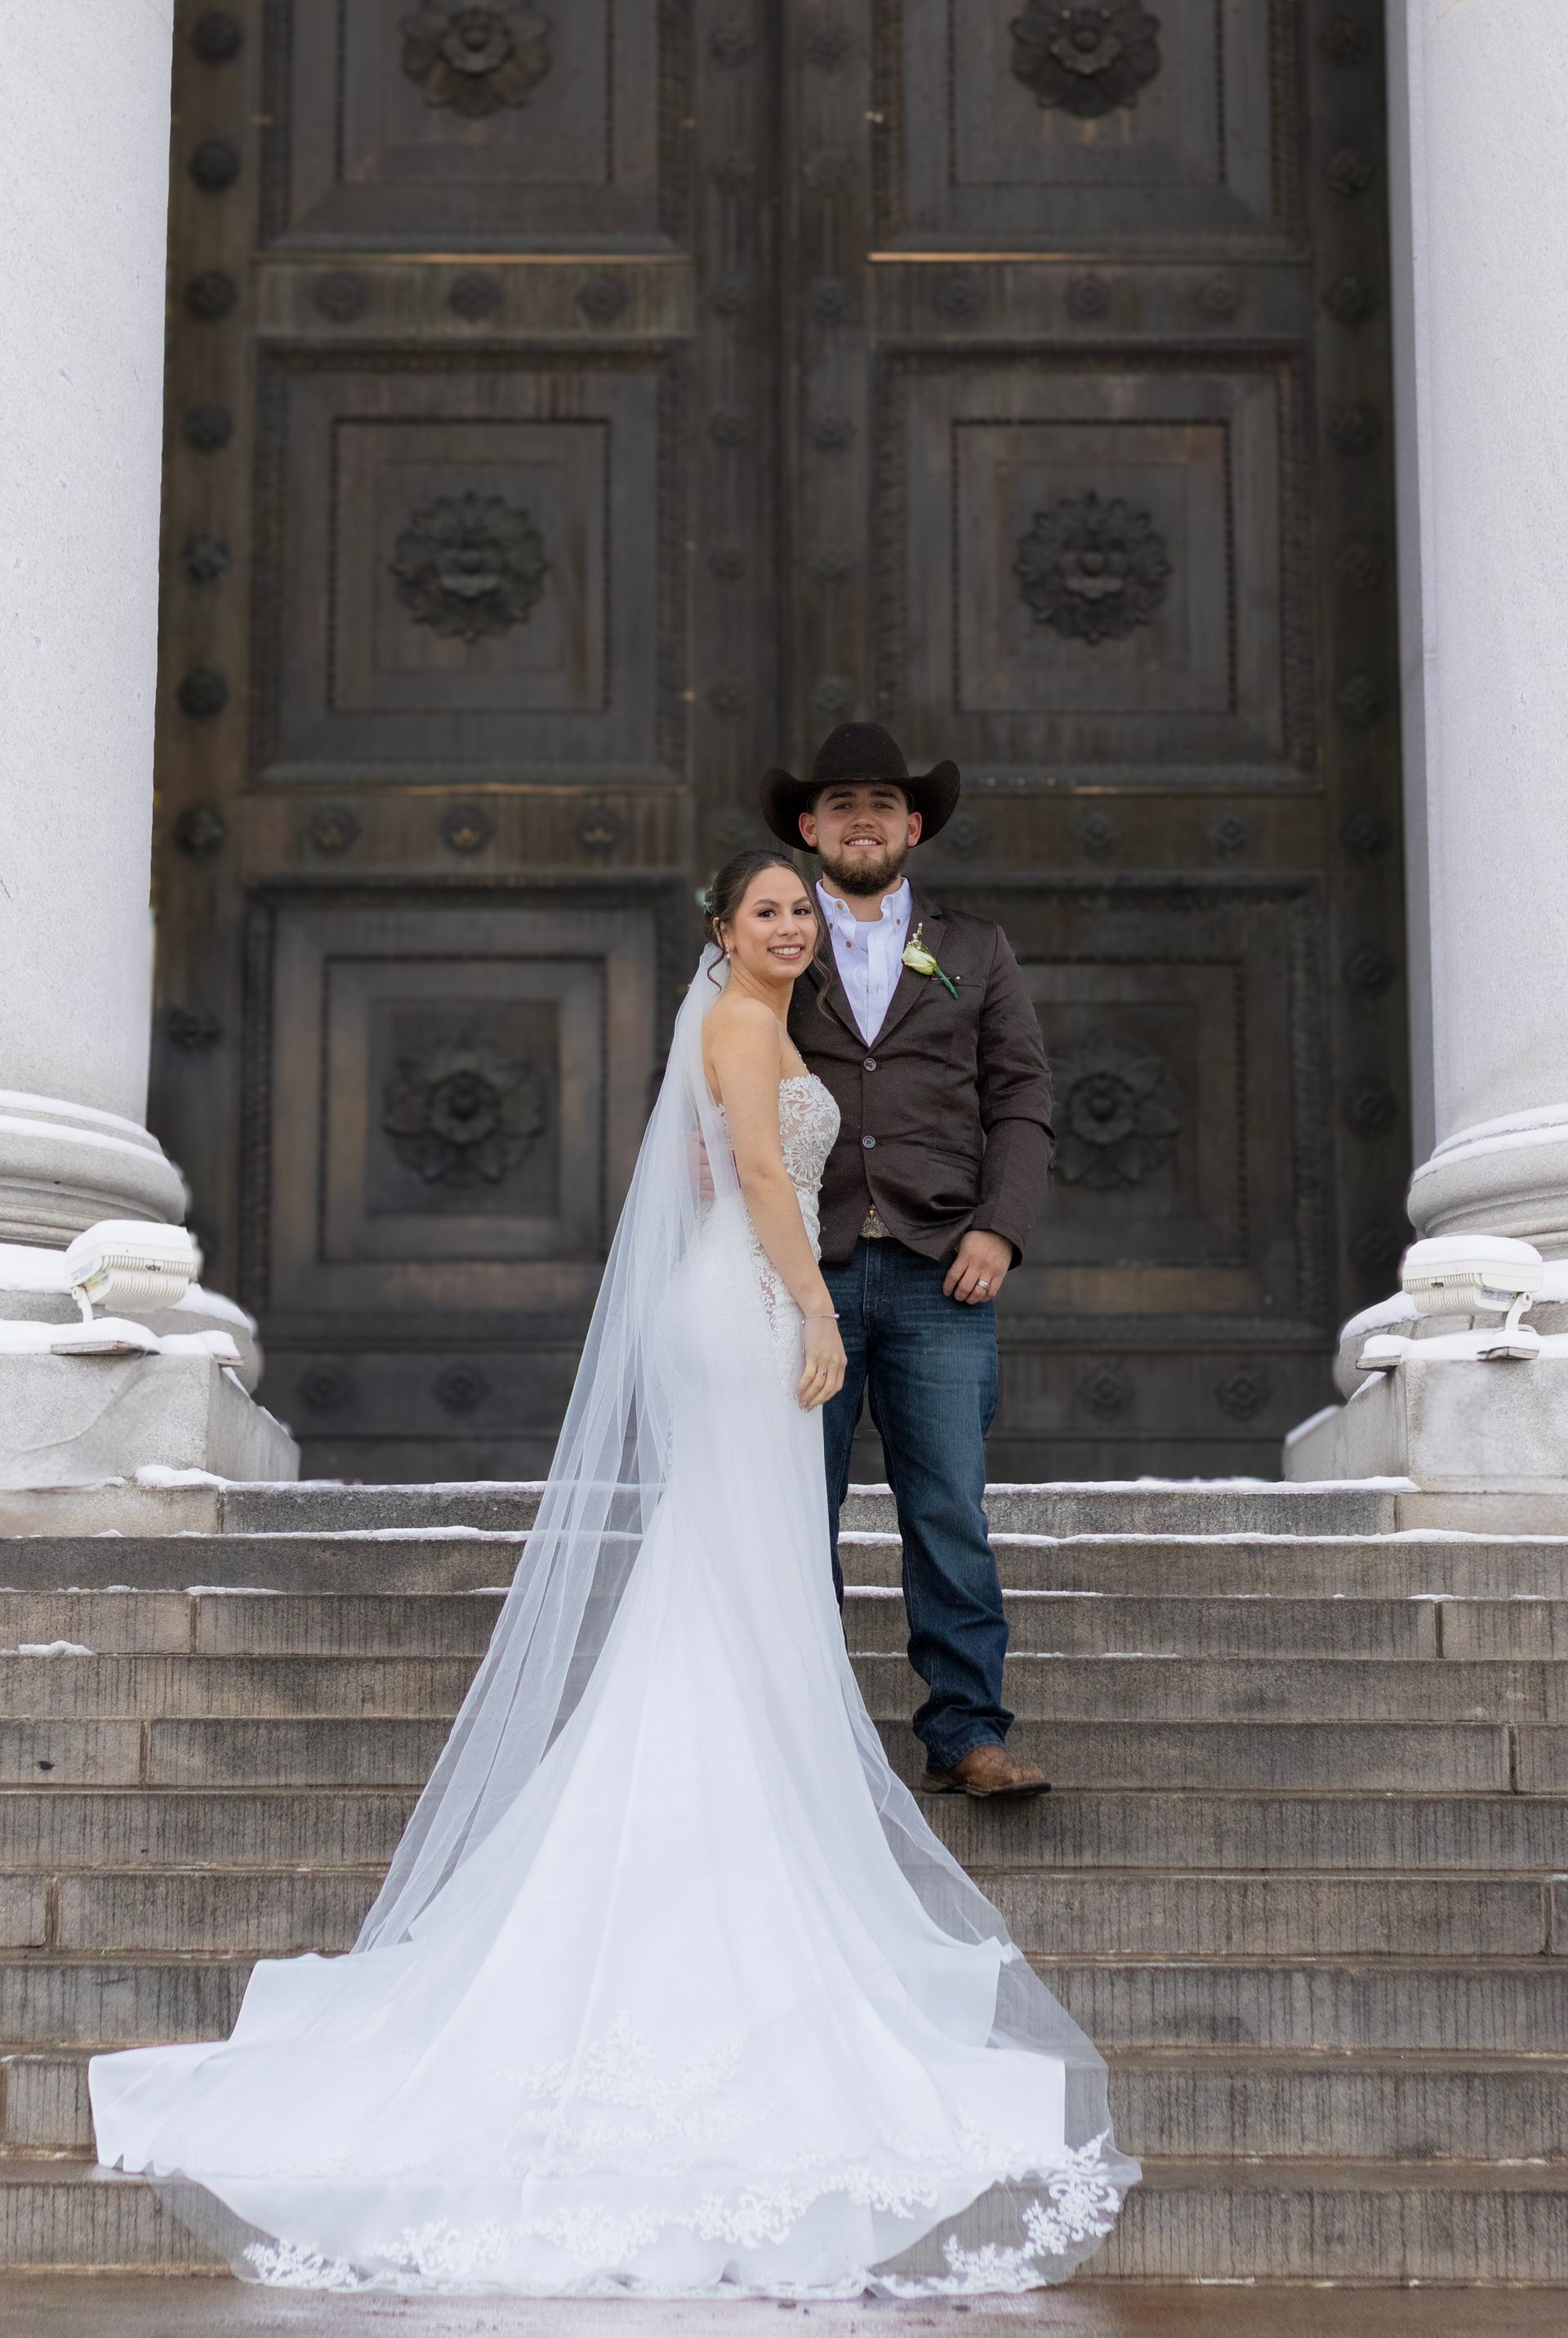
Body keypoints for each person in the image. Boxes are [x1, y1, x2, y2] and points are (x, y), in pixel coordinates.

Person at [87, 851, 1134, 2298]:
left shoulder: (754, 1026)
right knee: (732, 1577)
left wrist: (786, 1278)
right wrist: (819, 1311)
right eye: (764, 911)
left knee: (733, 1581)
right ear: (722, 931)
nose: (786, 927)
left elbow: (729, 1165)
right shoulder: (741, 1025)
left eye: (797, 913)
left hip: (745, 1294)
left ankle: (742, 1812)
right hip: (761, 1304)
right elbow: (765, 1171)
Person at [767, 724, 1053, 1800]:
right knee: (799, 1510)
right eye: (841, 804)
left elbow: (1022, 1096)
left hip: (943, 1268)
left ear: (914, 824)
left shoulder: (976, 948)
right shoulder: (772, 936)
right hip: (812, 1274)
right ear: (809, 828)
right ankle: (808, 1733)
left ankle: (968, 1732)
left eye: (882, 803)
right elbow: (711, 1083)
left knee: (947, 1509)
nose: (862, 820)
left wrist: (1000, 1226)